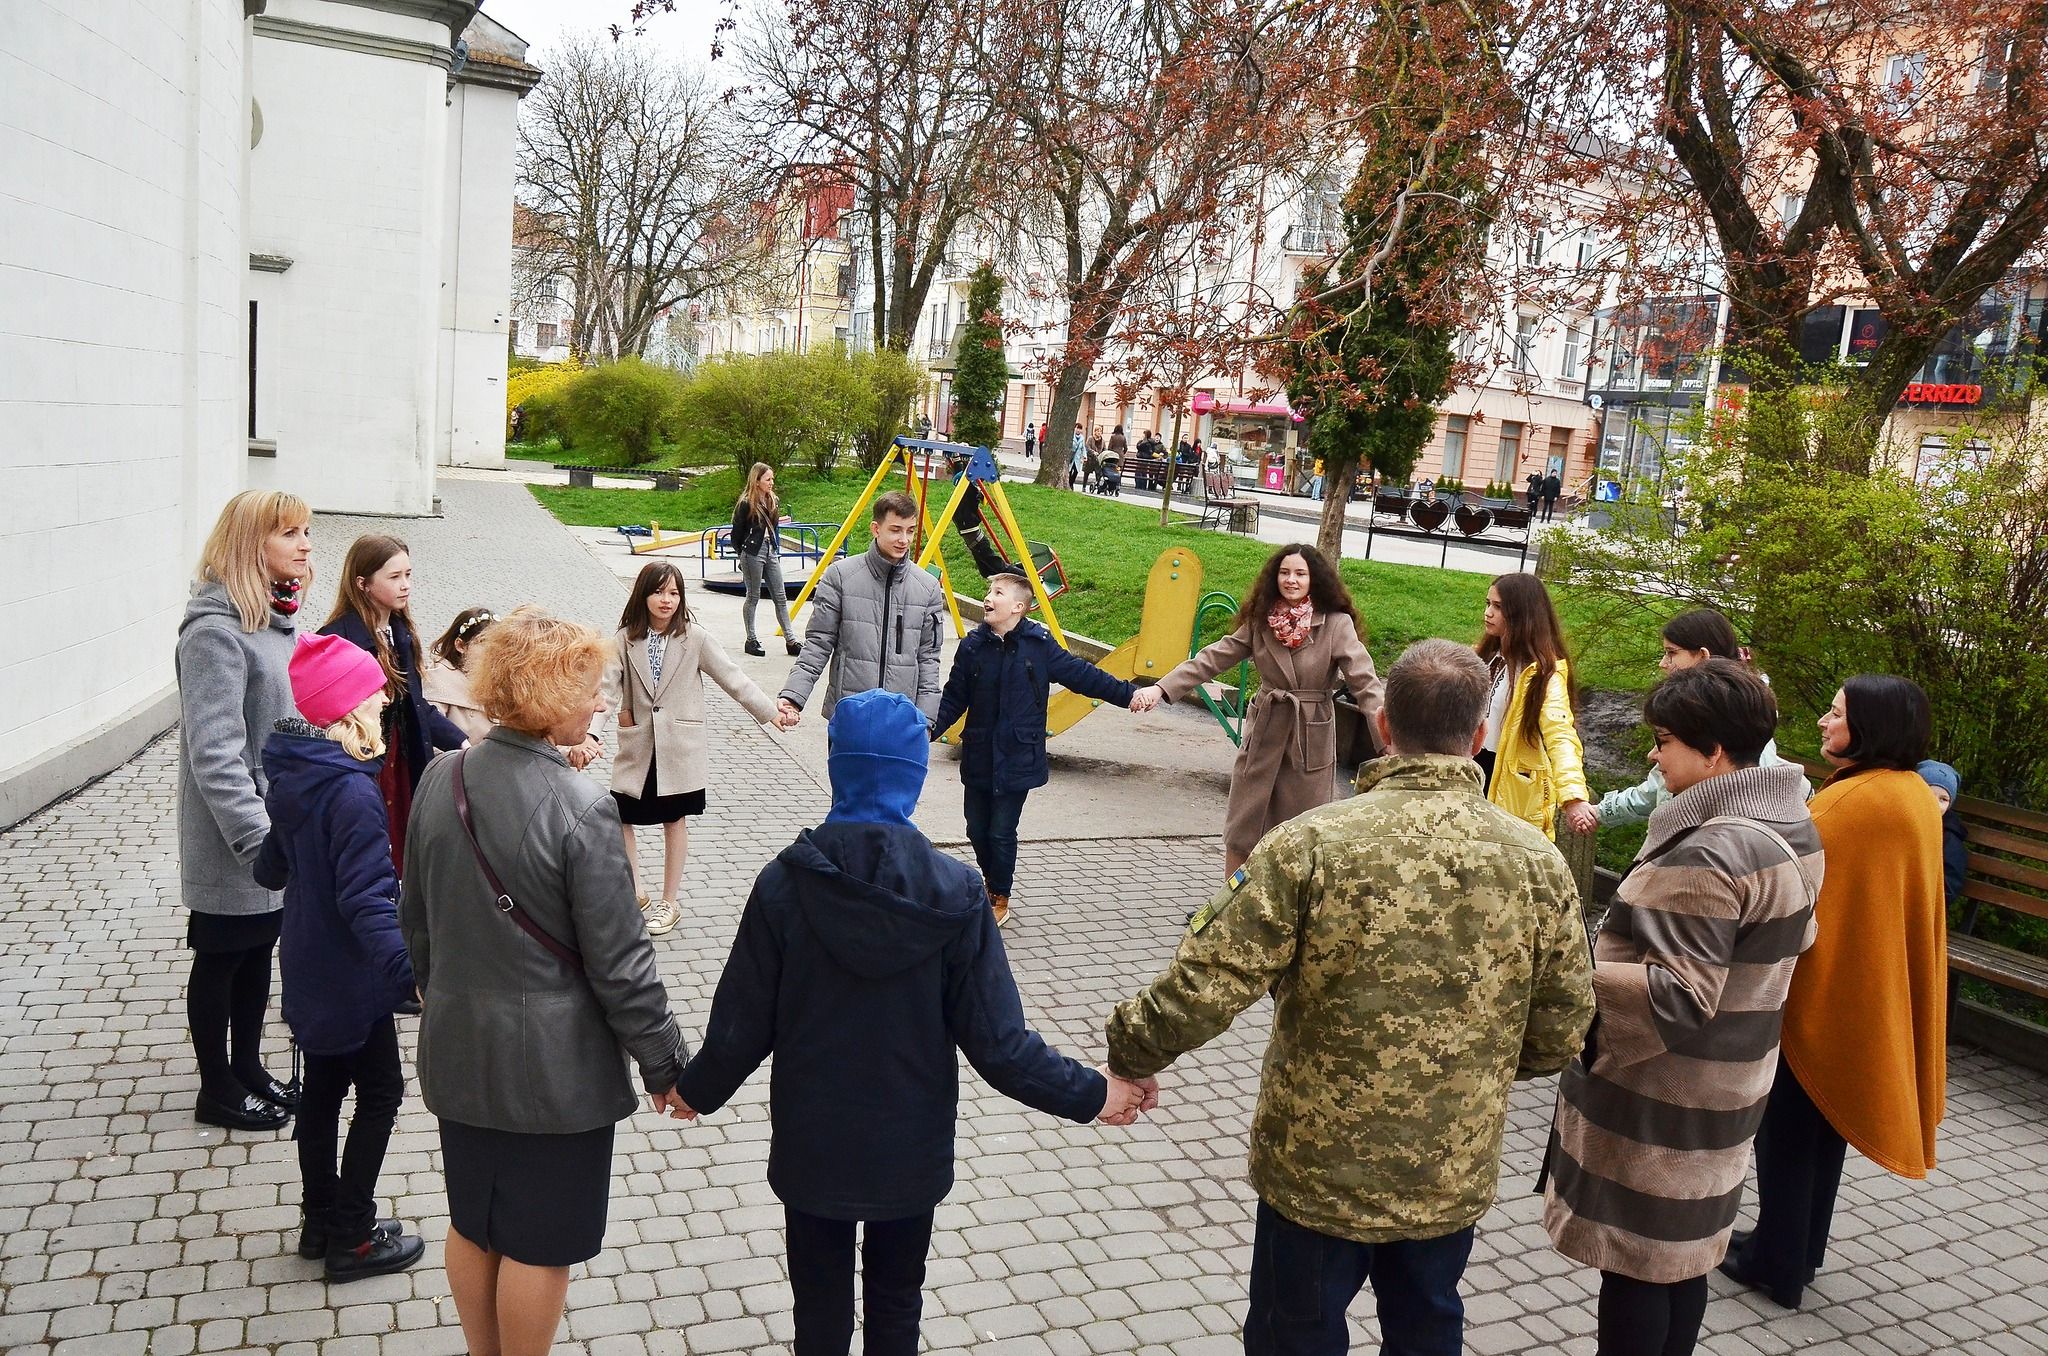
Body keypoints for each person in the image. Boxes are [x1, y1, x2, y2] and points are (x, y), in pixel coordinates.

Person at [1107, 639, 1596, 1356]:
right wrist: (1478, 1069)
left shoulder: (1309, 844)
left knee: (1294, 1334)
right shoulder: (1538, 864)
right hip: (1445, 1166)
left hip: (1315, 1168)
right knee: (1427, 1328)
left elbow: (1209, 979)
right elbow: (1563, 1023)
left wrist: (1131, 1054)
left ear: (1384, 726)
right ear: (1478, 737)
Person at [671, 689, 1145, 1356]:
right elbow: (1001, 1047)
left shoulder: (784, 883)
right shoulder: (958, 892)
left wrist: (694, 1090)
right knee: (897, 1306)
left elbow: (740, 1025)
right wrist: (1095, 1093)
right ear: (915, 776)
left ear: (837, 766)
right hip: (909, 1149)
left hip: (814, 1145)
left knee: (819, 1311)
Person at [401, 608, 692, 1356]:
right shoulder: (581, 807)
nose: (600, 702)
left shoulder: (440, 777)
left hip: (461, 1050)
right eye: (589, 688)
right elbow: (622, 965)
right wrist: (666, 1064)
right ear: (547, 695)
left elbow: (416, 922)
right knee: (540, 1241)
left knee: (475, 1222)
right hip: (555, 1076)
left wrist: (446, 1001)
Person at [1544, 660, 1822, 1356]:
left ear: (1715, 751)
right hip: (1732, 1080)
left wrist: (1564, 980)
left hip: (1664, 1098)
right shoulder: (1790, 820)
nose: (1652, 754)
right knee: (1684, 1256)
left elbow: (1675, 995)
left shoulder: (1709, 851)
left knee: (1638, 1262)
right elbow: (1796, 940)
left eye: (1664, 740)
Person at [1720, 675, 1946, 1310]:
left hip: (1824, 996)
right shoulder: (1909, 793)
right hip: (1863, 991)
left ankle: (1777, 1264)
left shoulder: (1851, 805)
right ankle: (1798, 1247)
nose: (1823, 721)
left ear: (1869, 727)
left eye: (1837, 713)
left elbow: (1783, 880)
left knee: (1789, 1131)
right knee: (1823, 1134)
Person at [255, 633, 425, 1281]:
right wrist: (408, 974)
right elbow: (367, 898)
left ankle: (320, 1218)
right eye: (375, 696)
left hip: (307, 961)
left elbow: (271, 866)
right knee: (381, 1093)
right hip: (351, 975)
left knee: (323, 1093)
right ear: (347, 711)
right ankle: (352, 1236)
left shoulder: (298, 775)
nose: (384, 704)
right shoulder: (352, 793)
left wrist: (292, 859)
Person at [177, 490, 312, 1132]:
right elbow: (215, 753)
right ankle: (216, 1088)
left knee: (258, 953)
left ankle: (248, 1068)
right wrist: (259, 843)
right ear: (250, 544)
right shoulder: (214, 634)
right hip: (237, 837)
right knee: (222, 957)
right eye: (290, 533)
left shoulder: (273, 622)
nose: (305, 545)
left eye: (305, 532)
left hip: (275, 831)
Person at [1134, 545, 1384, 876]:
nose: (1291, 580)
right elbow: (1214, 657)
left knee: (1304, 833)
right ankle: (1231, 899)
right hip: (1265, 733)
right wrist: (1161, 688)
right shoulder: (1261, 621)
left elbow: (1365, 683)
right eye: (1284, 573)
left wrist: (1388, 741)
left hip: (1308, 736)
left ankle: (1292, 903)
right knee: (1244, 827)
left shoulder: (1336, 625)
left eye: (1300, 574)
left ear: (1315, 579)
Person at [581, 562, 785, 937]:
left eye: (674, 593)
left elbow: (733, 679)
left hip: (679, 748)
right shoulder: (622, 640)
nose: (667, 600)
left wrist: (771, 713)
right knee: (620, 815)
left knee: (674, 820)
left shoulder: (696, 638)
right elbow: (606, 694)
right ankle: (636, 890)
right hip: (639, 746)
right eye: (659, 592)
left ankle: (670, 901)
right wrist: (592, 735)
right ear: (643, 595)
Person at [933, 567, 1141, 925]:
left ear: (1019, 607)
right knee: (976, 829)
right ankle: (991, 879)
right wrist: (925, 730)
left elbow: (1083, 676)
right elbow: (953, 698)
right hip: (980, 753)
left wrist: (1129, 695)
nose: (988, 598)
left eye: (998, 593)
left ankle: (999, 894)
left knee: (1001, 831)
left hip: (1018, 756)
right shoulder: (972, 646)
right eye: (989, 592)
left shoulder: (1039, 645)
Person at [320, 534, 468, 872]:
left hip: (404, 761)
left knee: (405, 857)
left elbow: (416, 705)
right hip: (363, 765)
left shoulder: (400, 632)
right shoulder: (337, 640)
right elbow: (329, 719)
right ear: (363, 584)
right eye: (394, 576)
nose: (406, 585)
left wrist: (464, 743)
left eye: (408, 574)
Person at [1587, 608, 1805, 828]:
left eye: (1671, 653)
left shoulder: (1741, 719)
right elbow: (1660, 786)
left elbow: (1753, 791)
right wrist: (1603, 811)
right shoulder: (1716, 710)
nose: (1663, 663)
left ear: (1703, 655)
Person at [778, 491, 947, 728]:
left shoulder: (927, 587)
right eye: (895, 530)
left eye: (910, 531)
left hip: (901, 720)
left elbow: (928, 658)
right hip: (849, 715)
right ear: (876, 529)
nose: (904, 540)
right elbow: (818, 643)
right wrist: (794, 696)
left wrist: (926, 719)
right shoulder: (841, 576)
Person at [1477, 572, 1593, 840]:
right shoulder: (1484, 657)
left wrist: (1573, 797)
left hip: (1512, 786)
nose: (1488, 613)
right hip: (1473, 769)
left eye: (1498, 607)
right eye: (1488, 604)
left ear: (1522, 614)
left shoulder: (1544, 674)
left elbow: (1560, 735)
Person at [732, 463, 803, 659]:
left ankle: (791, 640)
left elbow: (774, 527)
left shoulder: (773, 500)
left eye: (772, 479)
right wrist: (742, 554)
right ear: (757, 481)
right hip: (752, 551)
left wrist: (774, 546)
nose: (771, 483)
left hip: (770, 550)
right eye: (767, 479)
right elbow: (736, 533)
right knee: (753, 596)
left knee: (780, 596)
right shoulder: (746, 503)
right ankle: (751, 639)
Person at [422, 607, 499, 744]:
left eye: (496, 643)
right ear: (460, 646)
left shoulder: (502, 684)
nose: (491, 651)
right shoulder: (437, 679)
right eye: (482, 642)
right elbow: (429, 737)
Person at [1917, 760, 1967, 908]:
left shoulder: (1949, 839)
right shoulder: (1901, 823)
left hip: (1922, 906)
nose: (1935, 804)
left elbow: (1948, 888)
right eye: (1928, 794)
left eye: (1943, 799)